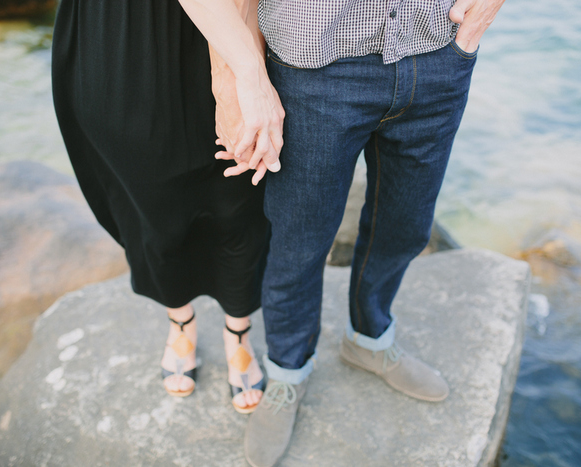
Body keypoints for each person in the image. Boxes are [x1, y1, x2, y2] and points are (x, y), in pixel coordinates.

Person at [237, 0, 506, 465]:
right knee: (299, 243)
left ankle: (369, 340)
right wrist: (243, 74)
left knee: (405, 228)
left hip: (437, 54)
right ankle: (287, 373)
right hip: (313, 70)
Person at [51, 0, 283, 413]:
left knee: (240, 187)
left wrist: (242, 66)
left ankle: (239, 329)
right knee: (148, 193)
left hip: (225, 16)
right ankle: (180, 319)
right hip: (120, 25)